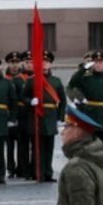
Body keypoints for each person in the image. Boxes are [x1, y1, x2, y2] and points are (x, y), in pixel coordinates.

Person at [22, 51, 67, 182]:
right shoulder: (32, 81)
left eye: (47, 62)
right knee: (37, 147)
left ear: (50, 64)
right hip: (37, 116)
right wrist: (30, 101)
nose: (44, 64)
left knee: (49, 147)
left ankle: (48, 172)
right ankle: (37, 172)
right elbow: (23, 96)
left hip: (51, 116)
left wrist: (60, 117)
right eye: (42, 61)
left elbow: (62, 101)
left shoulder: (56, 81)